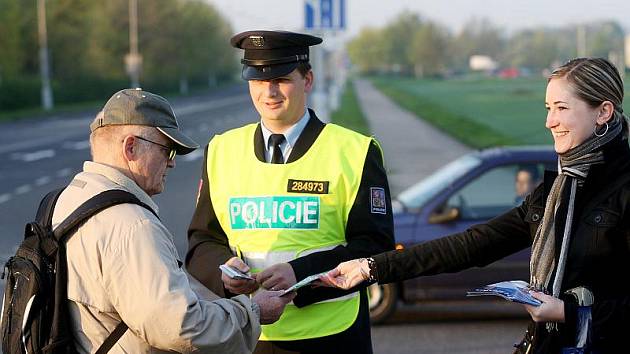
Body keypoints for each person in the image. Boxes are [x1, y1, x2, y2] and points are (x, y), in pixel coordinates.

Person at [320, 57, 630, 353]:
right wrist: (371, 267)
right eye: (548, 108)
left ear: (603, 112)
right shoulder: (559, 189)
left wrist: (567, 312)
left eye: (562, 108)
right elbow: (474, 244)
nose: (550, 121)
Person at [186, 30, 395, 354]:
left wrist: (299, 275)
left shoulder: (355, 151)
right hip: (250, 334)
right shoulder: (221, 150)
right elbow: (202, 242)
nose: (268, 92)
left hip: (333, 335)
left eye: (281, 79)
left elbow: (375, 247)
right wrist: (224, 275)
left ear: (307, 79)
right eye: (257, 80)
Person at [53, 88, 293, 353]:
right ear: (130, 147)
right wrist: (253, 311)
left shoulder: (68, 200)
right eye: (167, 150)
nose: (172, 164)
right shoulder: (131, 225)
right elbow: (180, 327)